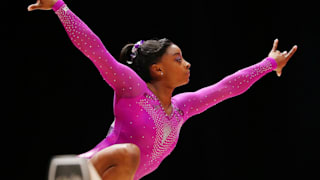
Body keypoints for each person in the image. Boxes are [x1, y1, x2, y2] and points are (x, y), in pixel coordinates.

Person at [27, 0, 298, 180]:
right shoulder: (133, 88)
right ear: (158, 69)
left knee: (129, 157)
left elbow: (226, 87)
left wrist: (269, 63)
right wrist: (61, 7)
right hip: (90, 168)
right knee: (129, 153)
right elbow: (96, 51)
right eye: (178, 58)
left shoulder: (182, 108)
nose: (188, 63)